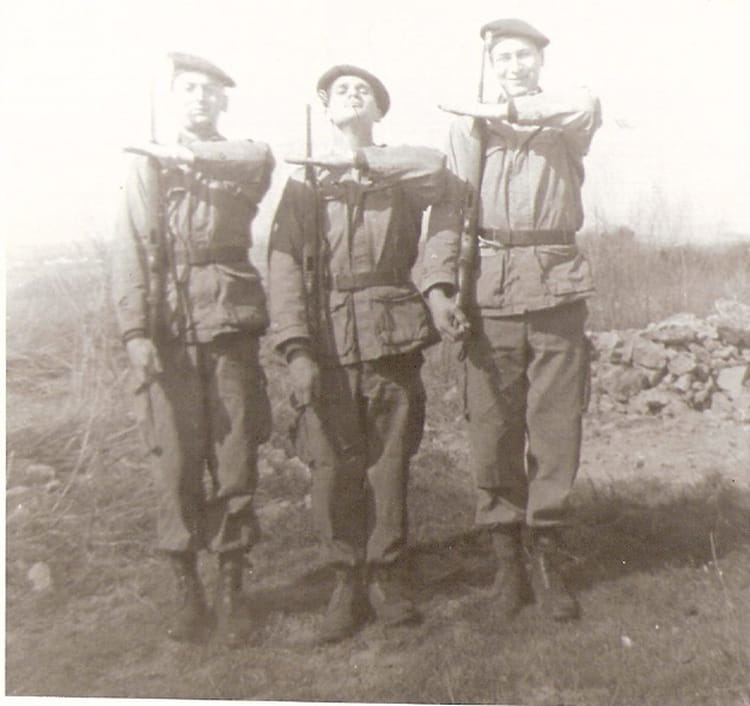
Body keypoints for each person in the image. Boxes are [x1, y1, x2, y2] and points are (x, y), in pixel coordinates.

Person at [422, 19, 601, 621]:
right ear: (491, 65)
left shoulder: (567, 119)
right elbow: (449, 210)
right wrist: (439, 288)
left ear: (541, 62)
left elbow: (585, 105)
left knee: (555, 430)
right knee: (493, 431)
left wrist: (504, 108)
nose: (515, 66)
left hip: (556, 291)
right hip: (489, 294)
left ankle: (547, 557)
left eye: (524, 56)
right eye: (503, 58)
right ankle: (507, 563)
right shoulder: (467, 129)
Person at [268, 65, 445, 643]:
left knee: (389, 463)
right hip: (326, 338)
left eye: (362, 90)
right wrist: (296, 348)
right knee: (331, 465)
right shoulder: (304, 184)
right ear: (326, 108)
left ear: (378, 109)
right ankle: (346, 580)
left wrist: (360, 161)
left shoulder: (399, 170)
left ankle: (387, 577)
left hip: (390, 332)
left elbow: (437, 170)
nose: (351, 95)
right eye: (340, 90)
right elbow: (284, 267)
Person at [112, 52, 274, 646]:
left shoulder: (240, 161)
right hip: (169, 335)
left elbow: (260, 158)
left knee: (235, 460)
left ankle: (233, 587)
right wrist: (135, 332)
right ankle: (188, 591)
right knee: (174, 464)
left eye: (210, 90)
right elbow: (128, 250)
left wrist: (185, 155)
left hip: (229, 327)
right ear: (173, 97)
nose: (200, 98)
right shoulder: (145, 168)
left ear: (223, 100)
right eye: (188, 89)